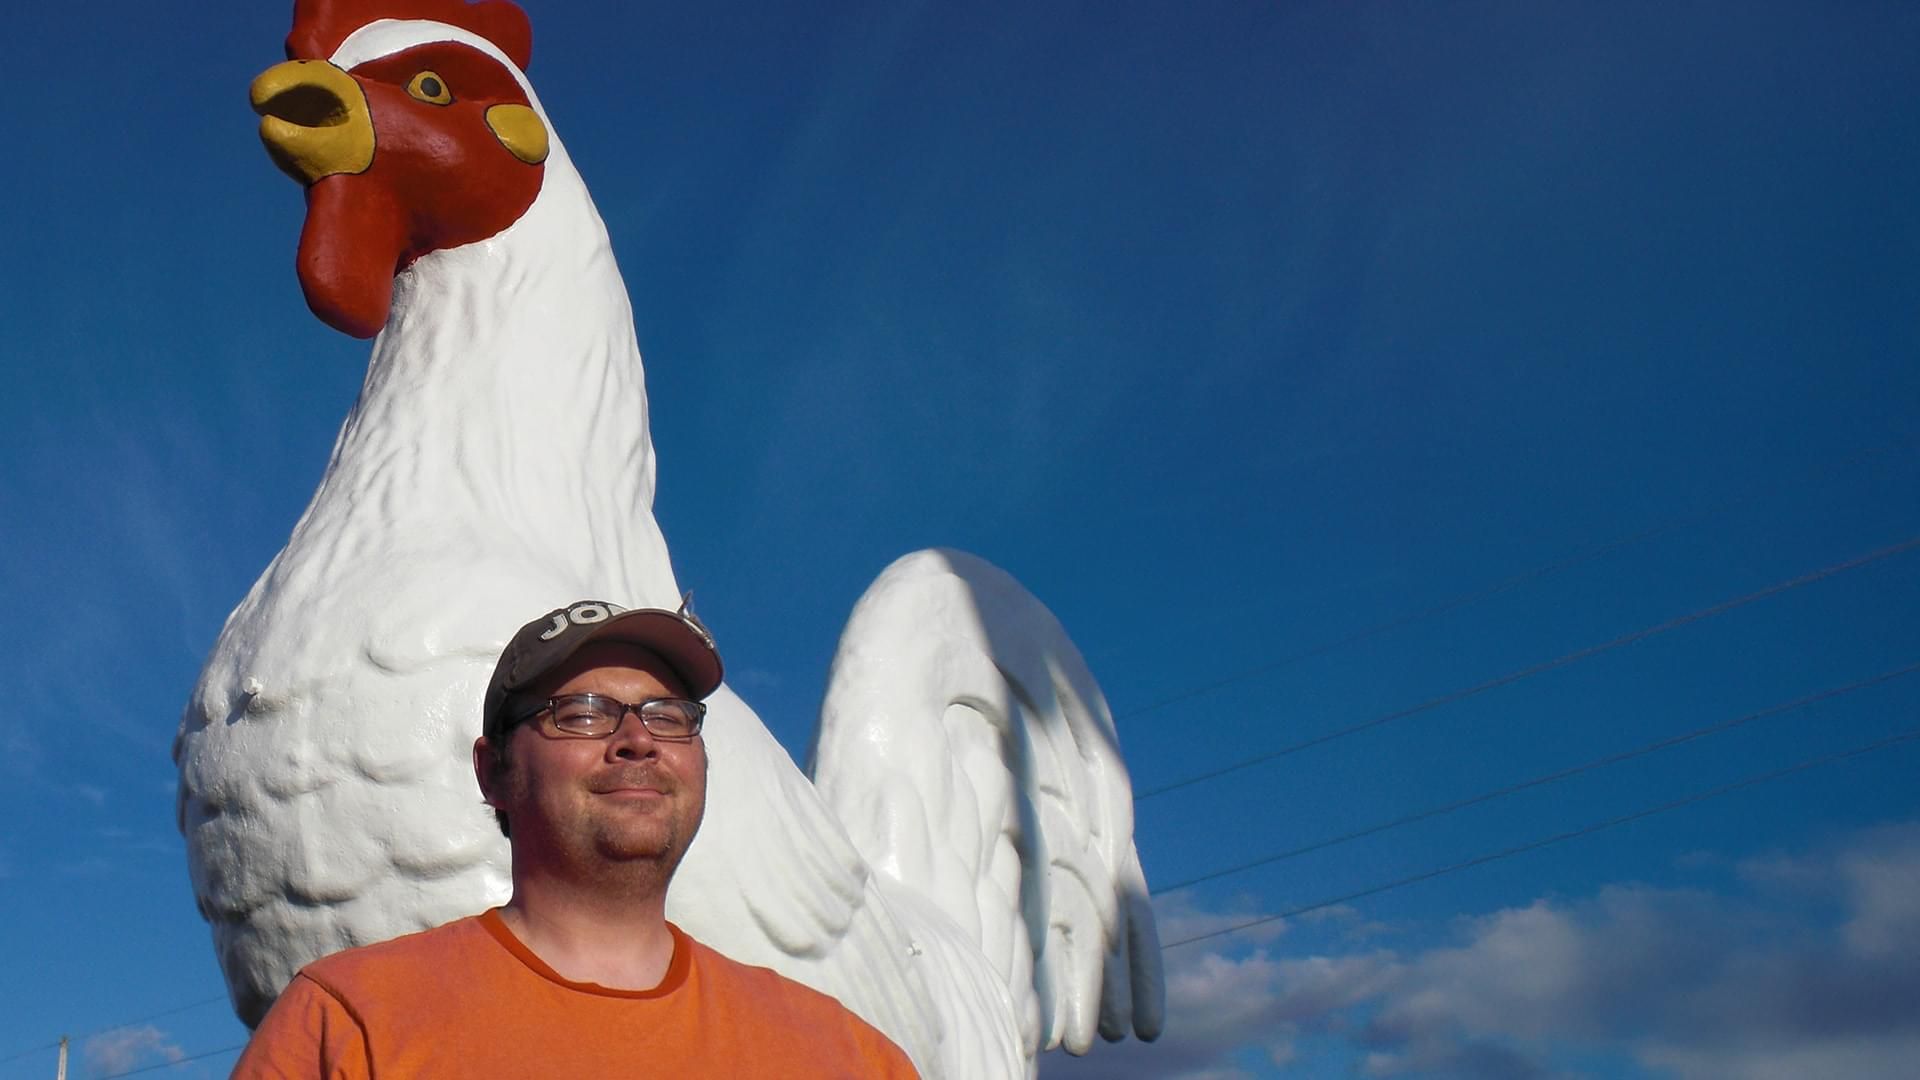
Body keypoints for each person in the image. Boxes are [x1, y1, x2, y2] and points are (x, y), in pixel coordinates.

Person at [232, 599, 918, 1078]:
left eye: (668, 714)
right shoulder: (347, 1023)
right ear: (493, 771)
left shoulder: (852, 1057)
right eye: (583, 712)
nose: (638, 739)